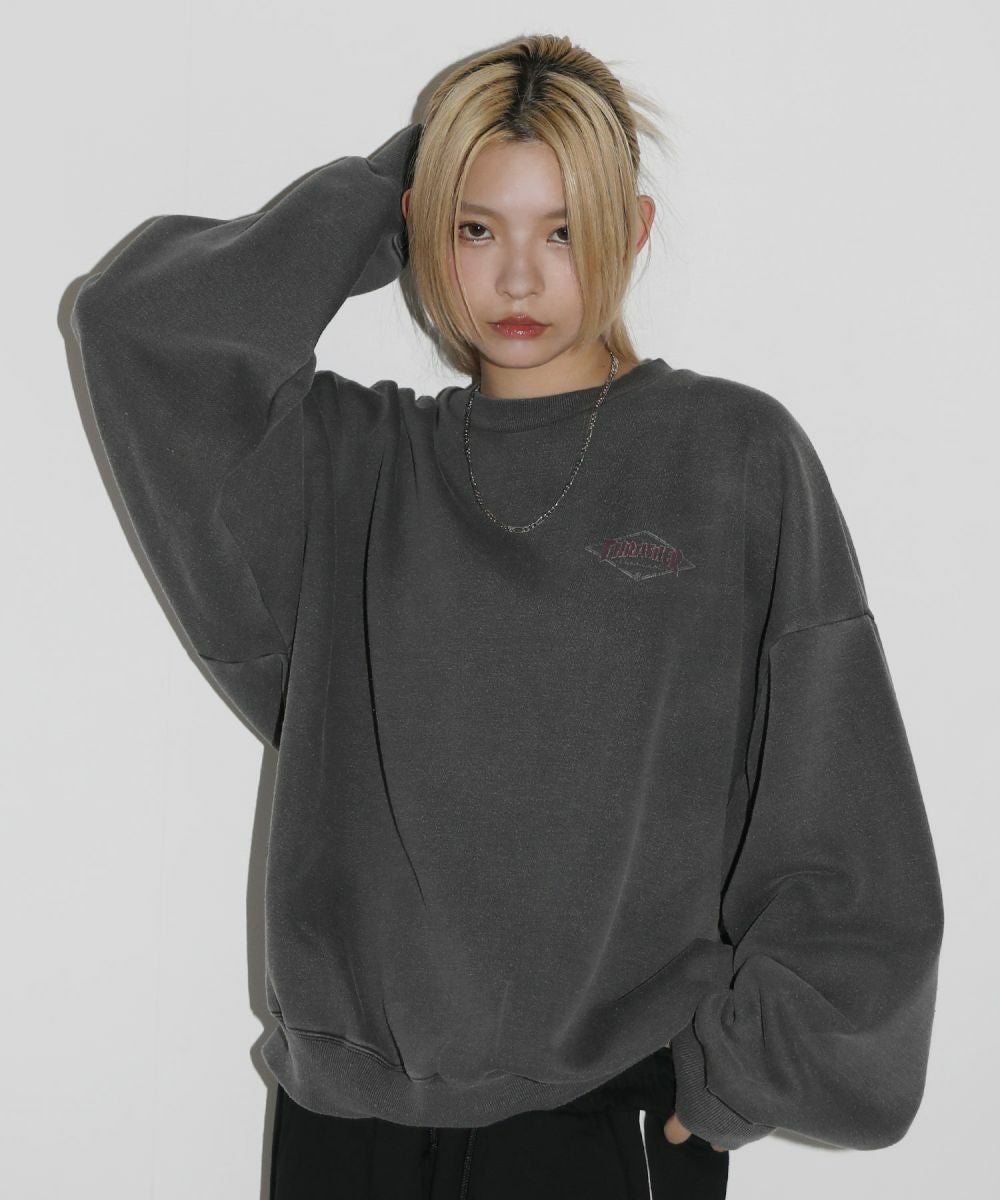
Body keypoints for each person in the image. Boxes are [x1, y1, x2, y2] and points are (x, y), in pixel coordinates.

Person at [69, 32, 944, 1200]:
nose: (519, 278)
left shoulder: (730, 460)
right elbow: (139, 326)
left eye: (563, 230)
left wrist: (735, 1080)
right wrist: (387, 194)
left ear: (632, 231)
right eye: (476, 229)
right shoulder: (353, 467)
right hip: (346, 1127)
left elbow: (845, 818)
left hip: (606, 1124)